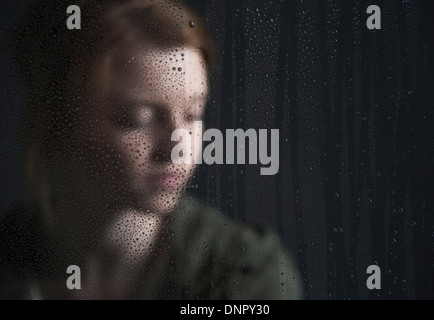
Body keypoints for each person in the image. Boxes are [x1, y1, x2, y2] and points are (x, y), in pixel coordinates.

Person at [0, 0, 302, 299]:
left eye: (193, 114)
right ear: (59, 122)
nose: (177, 148)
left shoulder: (241, 271)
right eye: (138, 119)